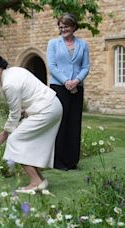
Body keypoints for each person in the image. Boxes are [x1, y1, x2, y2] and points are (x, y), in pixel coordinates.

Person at [0, 54, 63, 193]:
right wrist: (26, 112)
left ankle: (36, 182)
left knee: (15, 141)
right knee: (28, 143)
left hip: (46, 110)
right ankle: (39, 180)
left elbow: (14, 113)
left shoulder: (9, 84)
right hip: (51, 106)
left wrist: (6, 132)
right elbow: (29, 96)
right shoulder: (16, 71)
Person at [47, 13, 90, 171]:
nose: (63, 29)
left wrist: (76, 81)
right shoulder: (53, 43)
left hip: (77, 88)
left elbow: (85, 67)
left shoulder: (83, 45)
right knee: (60, 123)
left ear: (73, 27)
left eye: (66, 26)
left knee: (74, 124)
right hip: (59, 87)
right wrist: (66, 82)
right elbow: (52, 66)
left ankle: (72, 162)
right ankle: (58, 162)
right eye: (61, 26)